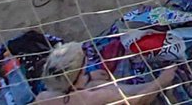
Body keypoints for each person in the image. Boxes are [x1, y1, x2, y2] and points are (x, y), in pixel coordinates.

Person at [34, 41, 177, 104]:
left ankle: (148, 85)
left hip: (77, 92)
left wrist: (88, 77)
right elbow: (139, 102)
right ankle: (154, 85)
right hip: (111, 99)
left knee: (95, 83)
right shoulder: (96, 98)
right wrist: (161, 81)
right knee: (102, 87)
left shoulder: (43, 98)